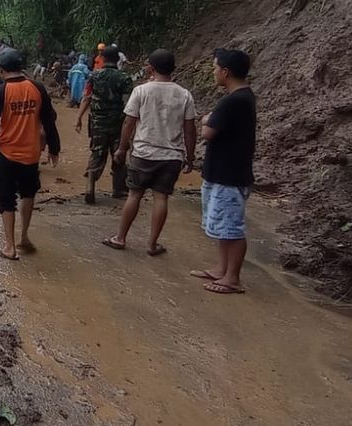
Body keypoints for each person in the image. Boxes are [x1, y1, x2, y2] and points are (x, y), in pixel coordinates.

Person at [102, 49, 196, 255]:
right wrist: (190, 157)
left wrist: (122, 148)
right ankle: (152, 244)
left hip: (143, 153)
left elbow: (129, 122)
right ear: (173, 69)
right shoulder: (184, 95)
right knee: (161, 198)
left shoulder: (141, 91)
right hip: (171, 156)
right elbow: (190, 129)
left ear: (151, 68)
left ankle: (120, 238)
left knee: (134, 194)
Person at [0, 48, 60, 260]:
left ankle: (9, 247)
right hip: (31, 152)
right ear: (21, 67)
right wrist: (54, 148)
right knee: (28, 193)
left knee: (6, 198)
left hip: (6, 152)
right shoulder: (37, 88)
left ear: (1, 70)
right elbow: (48, 119)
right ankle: (24, 238)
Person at [193, 48, 256, 295]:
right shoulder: (241, 97)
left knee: (232, 226)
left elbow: (208, 131)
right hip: (223, 170)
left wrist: (206, 120)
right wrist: (210, 118)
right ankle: (222, 268)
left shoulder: (234, 101)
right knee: (221, 224)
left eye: (215, 68)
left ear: (226, 72)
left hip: (230, 173)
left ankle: (232, 278)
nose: (213, 72)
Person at [75, 46, 132, 204]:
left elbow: (86, 98)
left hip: (97, 122)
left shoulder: (94, 76)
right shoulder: (124, 78)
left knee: (97, 152)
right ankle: (118, 189)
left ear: (103, 58)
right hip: (118, 123)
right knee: (118, 153)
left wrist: (79, 117)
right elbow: (129, 104)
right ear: (118, 59)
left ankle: (90, 186)